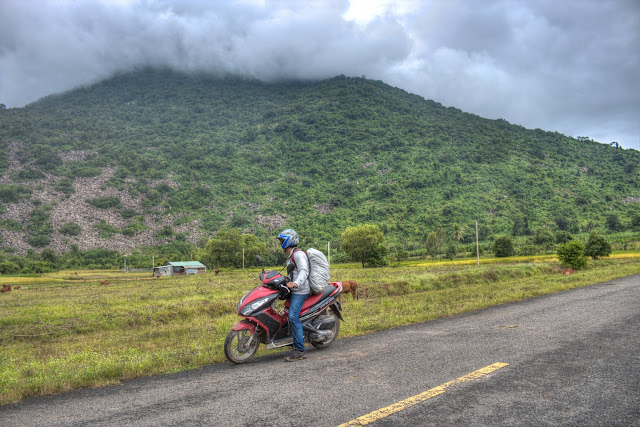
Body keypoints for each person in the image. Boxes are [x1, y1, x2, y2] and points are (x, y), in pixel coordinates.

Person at [277, 228, 310, 362]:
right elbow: (291, 273)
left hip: (300, 290)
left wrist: (295, 283)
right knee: (283, 314)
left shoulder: (298, 254)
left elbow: (303, 271)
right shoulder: (290, 256)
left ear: (288, 241)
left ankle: (300, 350)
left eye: (282, 241)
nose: (280, 244)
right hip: (293, 290)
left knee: (292, 317)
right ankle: (291, 339)